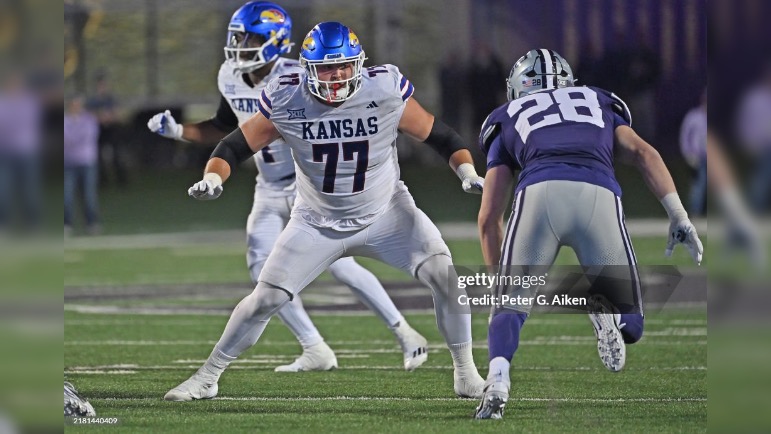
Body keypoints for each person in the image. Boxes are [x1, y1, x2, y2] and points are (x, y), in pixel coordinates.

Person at [165, 21, 487, 402]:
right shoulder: (288, 98)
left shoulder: (384, 90)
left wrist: (466, 171)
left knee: (446, 277)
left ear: (358, 64)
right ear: (307, 69)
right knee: (265, 299)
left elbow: (441, 136)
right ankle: (208, 376)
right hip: (317, 221)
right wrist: (214, 179)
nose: (336, 76)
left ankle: (466, 374)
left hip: (387, 213)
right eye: (325, 68)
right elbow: (233, 147)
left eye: (343, 66)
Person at [473, 49, 703, 419]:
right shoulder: (598, 98)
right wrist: (678, 215)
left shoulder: (506, 116)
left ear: (519, 86)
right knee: (633, 325)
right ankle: (609, 312)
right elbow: (644, 153)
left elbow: (488, 218)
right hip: (597, 194)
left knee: (509, 310)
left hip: (539, 195)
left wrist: (499, 288)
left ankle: (498, 383)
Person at [64, 95, 101, 235]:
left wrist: (72, 139)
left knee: (89, 195)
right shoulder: (65, 121)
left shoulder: (89, 120)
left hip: (87, 162)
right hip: (69, 163)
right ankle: (67, 223)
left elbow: (87, 137)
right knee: (67, 195)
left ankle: (91, 223)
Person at [679, 92, 707, 216]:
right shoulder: (693, 116)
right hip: (698, 156)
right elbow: (685, 136)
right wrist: (688, 154)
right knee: (698, 185)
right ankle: (694, 213)